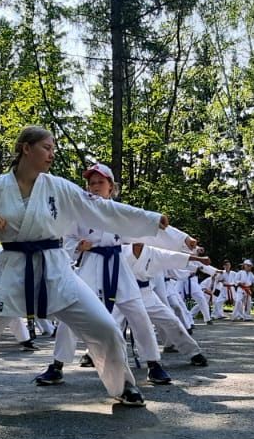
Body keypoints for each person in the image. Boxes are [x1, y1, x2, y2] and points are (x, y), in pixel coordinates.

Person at [0, 128, 169, 410]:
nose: (52, 154)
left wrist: (148, 219)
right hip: (11, 270)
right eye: (47, 148)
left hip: (55, 269)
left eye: (53, 148)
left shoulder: (59, 187)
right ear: (26, 148)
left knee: (105, 328)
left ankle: (124, 386)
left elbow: (103, 209)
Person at [36, 163, 188, 389]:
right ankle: (57, 365)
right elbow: (64, 239)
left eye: (101, 182)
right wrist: (79, 246)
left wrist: (183, 240)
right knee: (71, 310)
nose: (95, 187)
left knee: (138, 313)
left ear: (111, 187)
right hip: (90, 264)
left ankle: (154, 364)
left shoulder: (119, 211)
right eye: (92, 183)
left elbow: (147, 226)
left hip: (118, 264)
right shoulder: (79, 213)